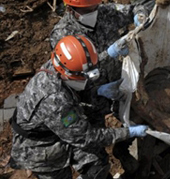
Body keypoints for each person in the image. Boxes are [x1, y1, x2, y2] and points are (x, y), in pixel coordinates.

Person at [9, 35, 148, 179]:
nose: (88, 80)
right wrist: (128, 132)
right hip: (40, 150)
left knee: (98, 166)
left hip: (60, 130)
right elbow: (87, 137)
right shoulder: (55, 101)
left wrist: (109, 53)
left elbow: (82, 67)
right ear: (67, 74)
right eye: (84, 78)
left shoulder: (57, 64)